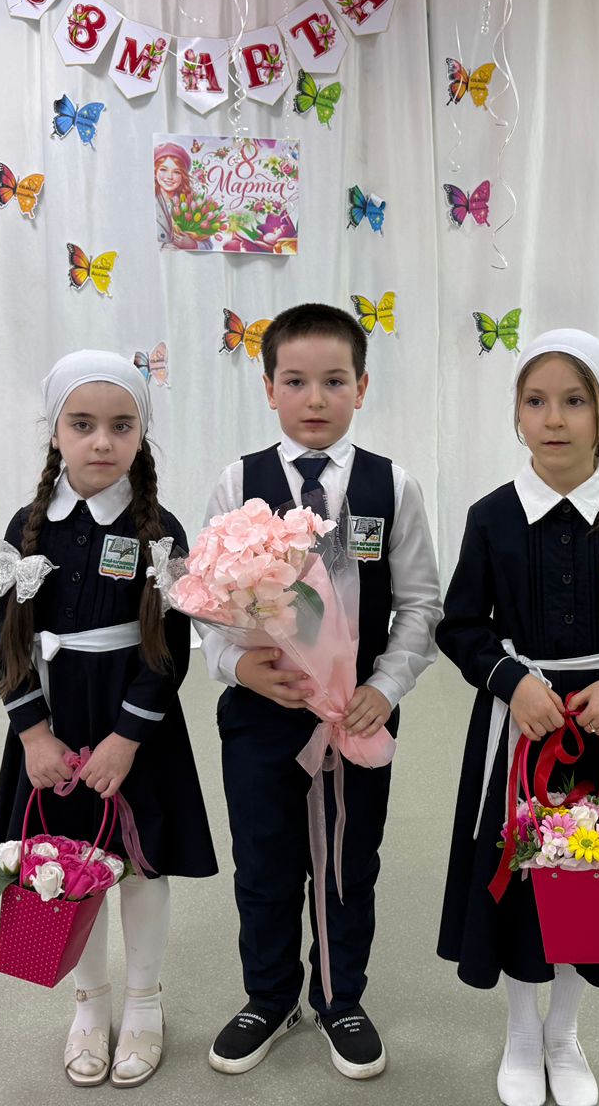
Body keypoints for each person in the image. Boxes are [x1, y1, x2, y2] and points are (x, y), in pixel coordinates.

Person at [436, 328, 599, 1106]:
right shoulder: (492, 517)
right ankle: (521, 1030)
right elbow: (461, 627)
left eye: (574, 401)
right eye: (536, 401)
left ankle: (564, 1032)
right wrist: (511, 682)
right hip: (521, 729)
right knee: (519, 876)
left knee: (588, 873)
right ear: (516, 414)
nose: (554, 418)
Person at [199, 303, 443, 1080]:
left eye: (334, 381)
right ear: (269, 387)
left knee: (346, 863)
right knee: (263, 861)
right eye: (296, 381)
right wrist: (239, 667)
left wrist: (385, 686)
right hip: (260, 714)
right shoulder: (239, 482)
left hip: (355, 718)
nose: (315, 398)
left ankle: (341, 998)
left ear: (362, 387)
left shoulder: (391, 486)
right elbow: (205, 598)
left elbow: (421, 604)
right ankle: (269, 998)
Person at [0, 350, 217, 1088]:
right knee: (65, 863)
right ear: (55, 431)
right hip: (55, 723)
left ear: (141, 436)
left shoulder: (160, 530)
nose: (102, 442)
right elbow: (8, 642)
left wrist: (126, 739)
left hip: (135, 726)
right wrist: (33, 734)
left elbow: (169, 650)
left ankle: (144, 1004)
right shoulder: (27, 527)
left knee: (140, 867)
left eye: (121, 426)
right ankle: (88, 1005)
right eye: (82, 425)